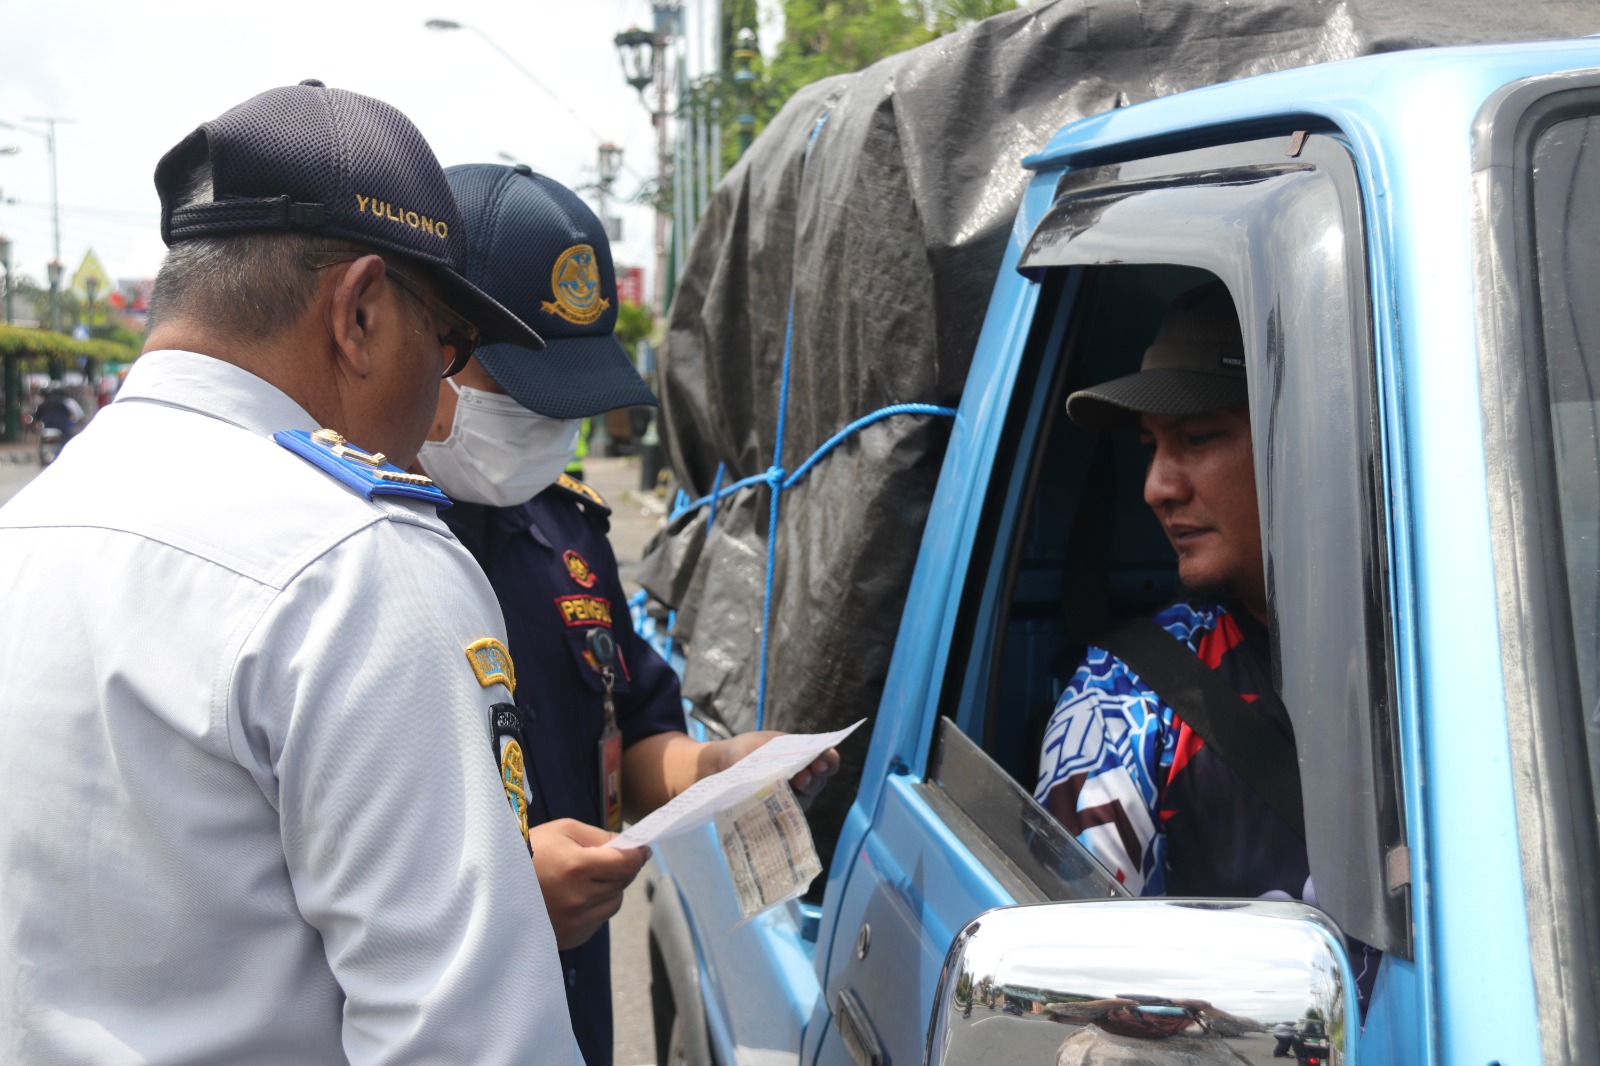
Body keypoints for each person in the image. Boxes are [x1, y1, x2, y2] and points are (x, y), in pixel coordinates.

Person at [0, 82, 583, 1063]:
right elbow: (472, 1043)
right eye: (445, 343)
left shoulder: (29, 527)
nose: (441, 404)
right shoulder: (361, 569)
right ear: (357, 312)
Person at [421, 162, 840, 1066]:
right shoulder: (344, 556)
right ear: (434, 338)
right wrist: (504, 892)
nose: (547, 428)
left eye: (569, 400)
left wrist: (720, 766)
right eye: (527, 392)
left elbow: (627, 744)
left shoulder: (564, 530)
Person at [1033, 280, 1303, 899]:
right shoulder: (1128, 697)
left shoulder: (1439, 660)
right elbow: (1078, 961)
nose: (1156, 487)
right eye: (1151, 447)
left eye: (1198, 438)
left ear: (1301, 440)